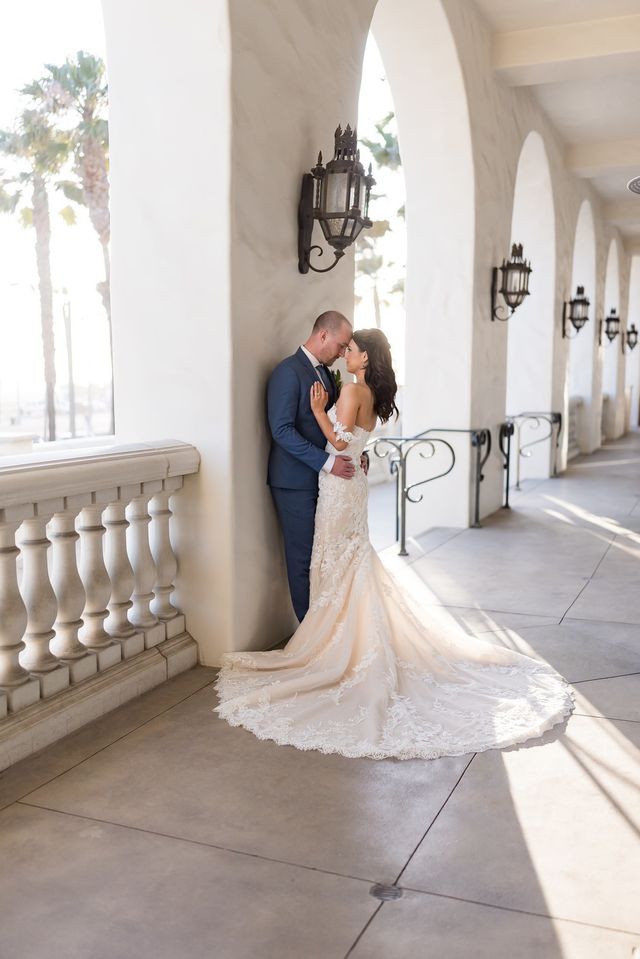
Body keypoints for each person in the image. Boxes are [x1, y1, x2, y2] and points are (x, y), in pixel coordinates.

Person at [215, 329, 574, 760]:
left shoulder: (351, 389)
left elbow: (340, 442)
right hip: (350, 485)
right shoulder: (367, 392)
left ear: (365, 358)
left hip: (339, 485)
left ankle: (334, 647)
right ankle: (338, 641)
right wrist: (348, 444)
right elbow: (356, 441)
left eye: (351, 349)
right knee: (347, 559)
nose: (345, 354)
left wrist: (318, 411)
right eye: (344, 347)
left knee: (334, 559)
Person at [265, 310, 360, 623]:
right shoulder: (287, 372)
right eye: (341, 345)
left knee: (323, 556)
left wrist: (354, 452)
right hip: (294, 481)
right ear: (323, 335)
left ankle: (326, 629)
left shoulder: (325, 374)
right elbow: (281, 430)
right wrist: (327, 462)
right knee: (302, 558)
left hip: (322, 481)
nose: (343, 352)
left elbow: (334, 427)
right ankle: (309, 633)